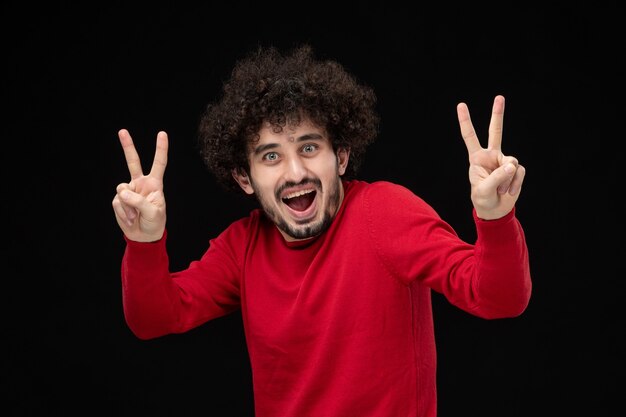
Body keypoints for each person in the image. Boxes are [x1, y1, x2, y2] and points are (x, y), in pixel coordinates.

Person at [111, 44, 531, 417]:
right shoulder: (242, 247)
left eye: (309, 148)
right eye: (271, 156)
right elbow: (153, 319)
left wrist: (495, 218)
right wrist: (144, 242)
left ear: (341, 157)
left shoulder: (383, 212)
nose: (296, 172)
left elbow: (499, 298)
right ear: (244, 178)